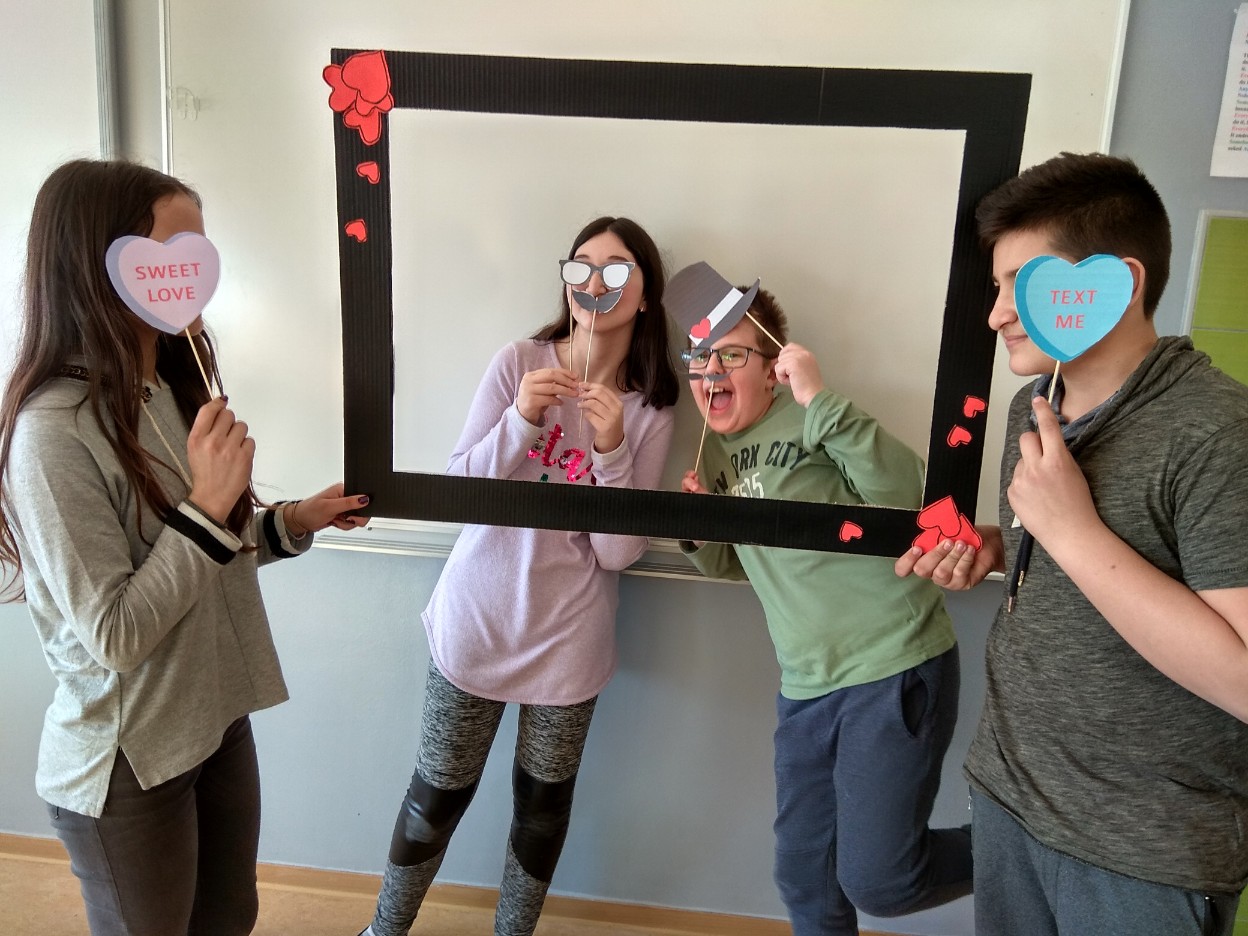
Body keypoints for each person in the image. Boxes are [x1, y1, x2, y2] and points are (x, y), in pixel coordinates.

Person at [0, 159, 369, 936]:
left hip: (215, 716)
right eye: (171, 257)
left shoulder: (166, 386)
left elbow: (207, 558)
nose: (193, 279)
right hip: (128, 759)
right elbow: (115, 634)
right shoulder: (51, 433)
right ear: (96, 265)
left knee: (230, 918)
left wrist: (294, 520)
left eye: (200, 256)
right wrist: (205, 505)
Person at [896, 152, 1248, 935]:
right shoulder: (1034, 406)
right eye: (996, 287)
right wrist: (1003, 545)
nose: (996, 314)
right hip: (1010, 795)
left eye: (1022, 285)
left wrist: (1071, 531)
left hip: (1142, 848)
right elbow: (1105, 568)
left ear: (1117, 283)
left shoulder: (1218, 433)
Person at [360, 216, 678, 936]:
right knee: (436, 797)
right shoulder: (519, 363)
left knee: (541, 812)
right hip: (476, 621)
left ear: (645, 295)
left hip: (569, 641)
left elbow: (617, 554)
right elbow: (456, 495)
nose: (595, 283)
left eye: (617, 270)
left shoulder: (650, 408)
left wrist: (612, 449)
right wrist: (521, 419)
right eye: (581, 267)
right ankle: (383, 931)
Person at [678, 282, 972, 936]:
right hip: (805, 689)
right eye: (699, 358)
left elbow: (910, 497)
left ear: (772, 368)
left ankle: (1021, 847)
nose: (711, 371)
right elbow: (739, 565)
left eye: (731, 355)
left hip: (891, 667)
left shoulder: (813, 415)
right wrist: (698, 532)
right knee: (804, 876)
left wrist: (819, 399)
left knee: (882, 882)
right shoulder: (713, 456)